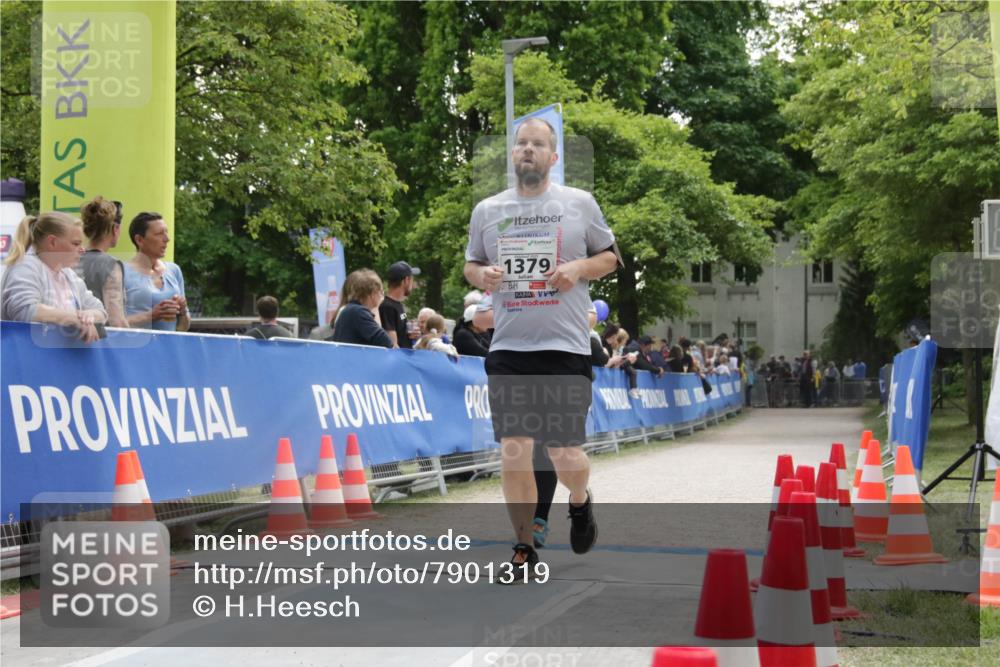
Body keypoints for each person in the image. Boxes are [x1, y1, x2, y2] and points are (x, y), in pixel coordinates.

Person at [464, 116, 619, 577]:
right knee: (514, 450)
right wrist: (482, 276)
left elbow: (611, 258)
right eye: (521, 143)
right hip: (509, 347)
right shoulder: (488, 210)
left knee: (562, 452)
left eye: (538, 144)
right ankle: (524, 547)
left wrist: (578, 270)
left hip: (565, 346)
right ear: (513, 154)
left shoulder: (579, 204)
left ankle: (579, 499)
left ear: (553, 158)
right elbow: (471, 264)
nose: (528, 149)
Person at [2, 212, 107, 342]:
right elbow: (26, 310)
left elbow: (101, 312)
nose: (82, 249)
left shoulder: (69, 274)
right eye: (75, 243)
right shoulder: (25, 266)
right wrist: (75, 318)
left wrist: (88, 316)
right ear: (52, 242)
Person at [123, 212, 189, 331]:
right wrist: (152, 316)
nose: (167, 239)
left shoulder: (174, 270)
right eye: (159, 234)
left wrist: (183, 312)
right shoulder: (121, 272)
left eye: (166, 232)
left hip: (169, 348)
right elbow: (111, 325)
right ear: (139, 240)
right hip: (136, 348)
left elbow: (182, 328)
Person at [78, 196, 128, 327]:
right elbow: (116, 320)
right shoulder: (111, 265)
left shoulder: (69, 260)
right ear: (115, 229)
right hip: (98, 341)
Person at [332, 269, 393, 348]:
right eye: (381, 291)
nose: (382, 295)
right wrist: (376, 307)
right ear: (373, 293)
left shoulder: (350, 310)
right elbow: (386, 343)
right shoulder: (358, 312)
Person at [379, 260, 420, 348]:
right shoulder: (387, 307)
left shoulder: (397, 304)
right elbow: (393, 344)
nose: (413, 285)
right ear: (406, 280)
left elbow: (399, 330)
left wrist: (409, 334)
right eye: (412, 279)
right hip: (399, 359)